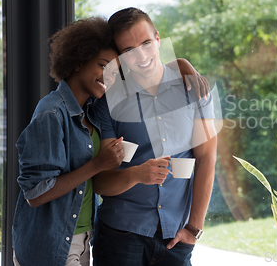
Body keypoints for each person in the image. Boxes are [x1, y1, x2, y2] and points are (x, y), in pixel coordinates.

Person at [12, 17, 207, 266]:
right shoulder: (51, 113)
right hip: (53, 241)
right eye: (103, 66)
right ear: (79, 61)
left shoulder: (90, 109)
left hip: (82, 234)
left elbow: (147, 67)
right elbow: (35, 194)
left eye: (115, 72)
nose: (109, 77)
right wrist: (99, 165)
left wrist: (181, 64)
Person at [92, 7, 217, 266]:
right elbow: (101, 182)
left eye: (147, 43)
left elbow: (206, 158)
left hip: (176, 237)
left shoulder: (195, 88)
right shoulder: (109, 103)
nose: (142, 56)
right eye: (128, 51)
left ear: (158, 39)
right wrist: (135, 174)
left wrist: (194, 228)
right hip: (119, 235)